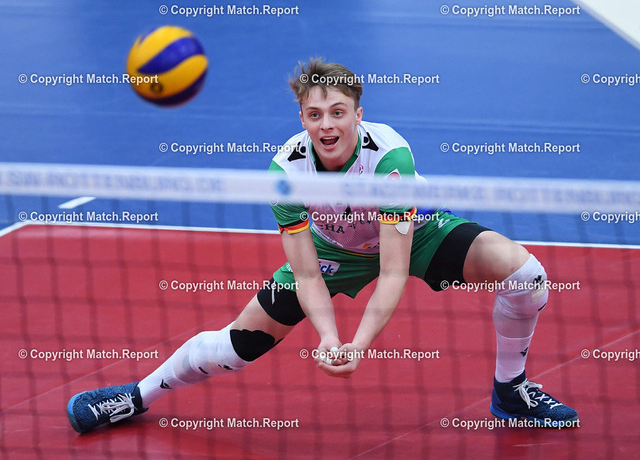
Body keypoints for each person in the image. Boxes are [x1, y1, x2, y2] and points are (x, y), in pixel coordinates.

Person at [67, 58, 578, 433]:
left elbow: (393, 271)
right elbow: (308, 273)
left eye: (338, 112)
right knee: (238, 346)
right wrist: (330, 338)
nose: (327, 125)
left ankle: (510, 390)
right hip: (331, 252)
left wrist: (359, 345)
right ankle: (135, 396)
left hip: (415, 234)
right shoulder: (286, 173)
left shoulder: (389, 163)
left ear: (359, 114)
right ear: (302, 118)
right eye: (315, 114)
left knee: (525, 275)